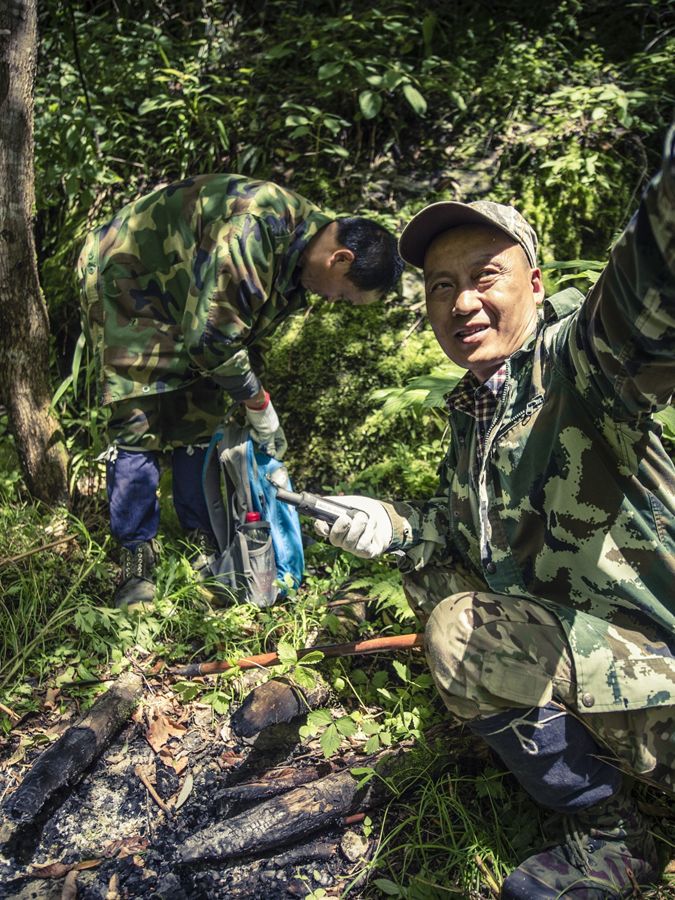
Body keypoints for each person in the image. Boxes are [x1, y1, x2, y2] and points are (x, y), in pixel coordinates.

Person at [314, 124, 675, 897]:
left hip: (663, 678)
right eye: (440, 286)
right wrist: (390, 524)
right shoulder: (477, 409)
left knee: (457, 625)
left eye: (484, 276)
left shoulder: (580, 368)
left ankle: (607, 830)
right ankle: (606, 813)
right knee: (437, 583)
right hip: (613, 671)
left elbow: (645, 285)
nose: (461, 302)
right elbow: (464, 536)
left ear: (536, 285)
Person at [77, 174, 403, 610]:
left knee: (201, 413)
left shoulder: (303, 256)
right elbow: (212, 339)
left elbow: (240, 333)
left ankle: (199, 542)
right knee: (140, 421)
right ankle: (136, 562)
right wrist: (257, 401)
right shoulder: (255, 230)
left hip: (186, 298)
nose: (333, 302)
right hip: (128, 276)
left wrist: (247, 393)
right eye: (343, 296)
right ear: (340, 259)